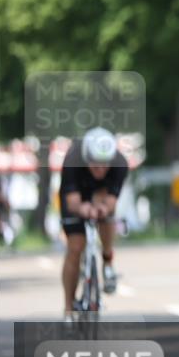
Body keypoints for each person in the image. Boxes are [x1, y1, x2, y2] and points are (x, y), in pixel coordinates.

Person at [59, 127, 129, 321]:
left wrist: (102, 209)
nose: (101, 170)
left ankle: (107, 261)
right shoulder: (73, 159)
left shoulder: (120, 164)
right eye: (96, 166)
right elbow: (72, 202)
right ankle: (68, 308)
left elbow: (112, 200)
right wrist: (84, 209)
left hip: (102, 193)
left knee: (106, 214)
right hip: (77, 194)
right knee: (75, 247)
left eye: (105, 166)